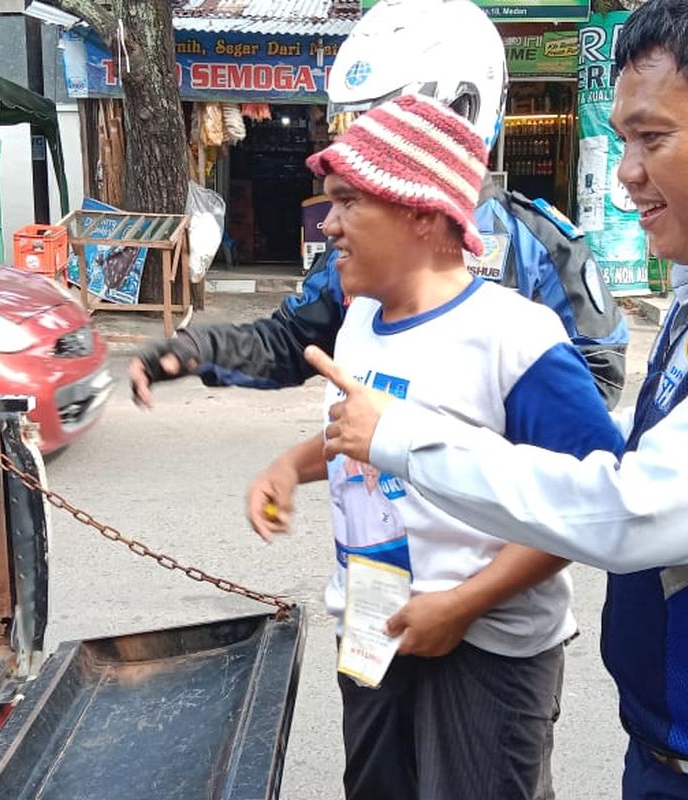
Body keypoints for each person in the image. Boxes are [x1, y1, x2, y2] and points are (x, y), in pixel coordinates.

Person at [303, 1, 688, 798]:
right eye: (622, 139)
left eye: (652, 138)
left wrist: (404, 439)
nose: (628, 169)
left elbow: (635, 508)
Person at [248, 94, 623, 800]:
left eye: (347, 202)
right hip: (370, 621)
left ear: (422, 212)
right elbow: (360, 436)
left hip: (488, 645)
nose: (327, 224)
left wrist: (463, 605)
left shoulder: (517, 336)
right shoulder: (359, 322)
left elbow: (593, 502)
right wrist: (289, 467)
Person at [129, 0, 628, 411]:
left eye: (383, 122)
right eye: (357, 125)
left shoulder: (540, 248)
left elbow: (597, 384)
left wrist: (443, 441)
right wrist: (200, 351)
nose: (335, 220)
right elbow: (291, 341)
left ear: (460, 110)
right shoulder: (358, 254)